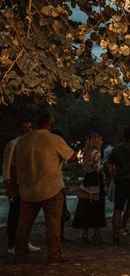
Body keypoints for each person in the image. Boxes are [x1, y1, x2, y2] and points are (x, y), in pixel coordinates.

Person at [12, 112, 76, 262]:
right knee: (53, 222)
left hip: (28, 188)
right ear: (50, 124)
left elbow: (14, 166)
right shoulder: (54, 139)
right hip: (51, 187)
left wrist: (13, 184)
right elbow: (71, 156)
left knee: (24, 222)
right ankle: (54, 253)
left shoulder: (22, 141)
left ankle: (20, 252)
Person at [2, 118, 40, 254]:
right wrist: (8, 183)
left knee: (26, 215)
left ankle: (24, 241)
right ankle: (13, 243)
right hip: (17, 184)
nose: (28, 130)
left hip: (28, 184)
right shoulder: (13, 144)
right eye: (25, 127)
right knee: (15, 214)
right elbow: (7, 165)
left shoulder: (32, 144)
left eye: (30, 127)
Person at [72, 133, 106, 244]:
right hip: (96, 180)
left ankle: (85, 233)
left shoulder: (85, 153)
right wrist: (104, 163)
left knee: (85, 205)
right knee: (97, 206)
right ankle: (97, 235)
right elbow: (98, 168)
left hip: (87, 180)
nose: (102, 142)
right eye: (100, 140)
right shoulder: (96, 153)